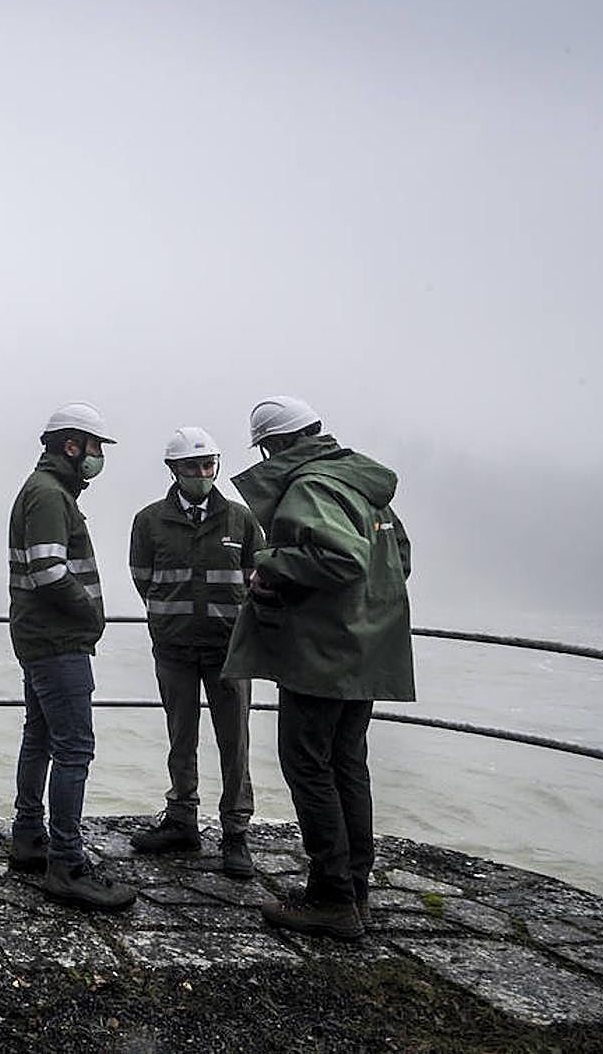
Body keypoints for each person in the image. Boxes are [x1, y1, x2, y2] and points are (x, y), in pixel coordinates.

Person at [223, 396, 414, 940]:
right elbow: (399, 557)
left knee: (308, 766)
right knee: (348, 765)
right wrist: (364, 615)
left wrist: (269, 566)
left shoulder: (310, 487)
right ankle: (354, 890)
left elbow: (342, 558)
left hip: (323, 657)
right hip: (366, 653)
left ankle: (330, 897)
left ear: (275, 446)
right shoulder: (360, 483)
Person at [6, 402, 137, 911]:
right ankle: (66, 863)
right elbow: (48, 571)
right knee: (74, 750)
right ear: (71, 445)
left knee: (39, 737)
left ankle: (28, 837)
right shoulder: (48, 494)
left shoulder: (49, 490)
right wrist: (91, 617)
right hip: (58, 642)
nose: (98, 457)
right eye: (96, 447)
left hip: (42, 638)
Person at [126, 427, 264, 879]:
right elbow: (142, 578)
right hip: (174, 648)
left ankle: (236, 833)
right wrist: (171, 622)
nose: (202, 474)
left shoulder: (242, 521)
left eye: (208, 466)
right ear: (174, 470)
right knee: (180, 738)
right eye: (192, 467)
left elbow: (257, 580)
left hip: (231, 651)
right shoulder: (149, 522)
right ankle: (182, 819)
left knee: (235, 743)